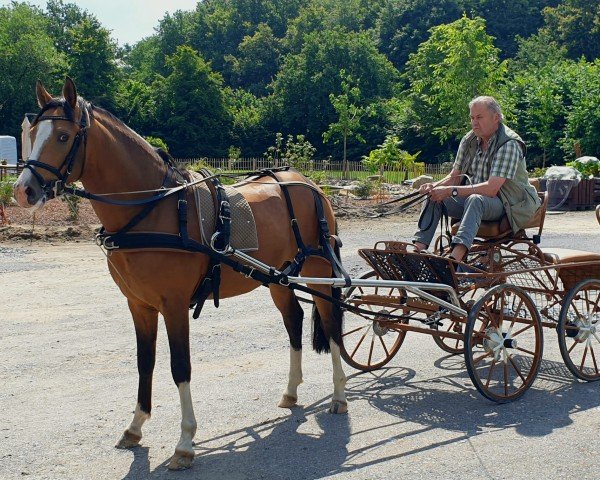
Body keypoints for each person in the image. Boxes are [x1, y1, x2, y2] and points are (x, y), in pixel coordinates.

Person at [412, 95, 540, 262]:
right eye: (472, 117)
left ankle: (454, 260)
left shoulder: (509, 143)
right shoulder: (469, 140)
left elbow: (491, 189)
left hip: (507, 204)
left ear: (496, 118)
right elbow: (455, 177)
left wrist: (451, 191)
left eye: (479, 117)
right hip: (475, 201)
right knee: (434, 197)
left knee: (476, 200)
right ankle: (416, 252)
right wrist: (433, 187)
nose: (474, 122)